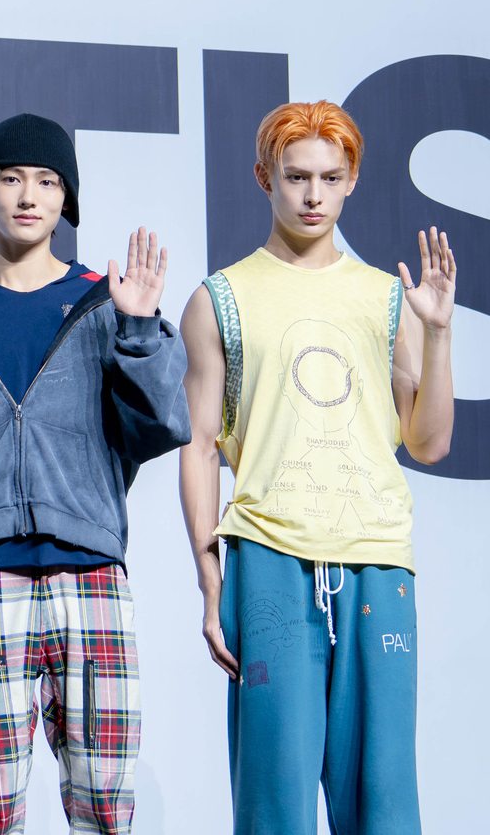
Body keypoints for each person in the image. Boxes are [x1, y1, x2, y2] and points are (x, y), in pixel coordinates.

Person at [0, 113, 190, 834]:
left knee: (104, 810)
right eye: (11, 176)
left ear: (65, 200)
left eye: (47, 181)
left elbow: (158, 427)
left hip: (91, 581)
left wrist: (140, 330)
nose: (27, 195)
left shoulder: (103, 303)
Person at [178, 101, 456, 835]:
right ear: (263, 176)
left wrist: (436, 335)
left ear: (352, 180)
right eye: (295, 176)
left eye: (329, 177)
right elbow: (199, 445)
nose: (311, 195)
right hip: (267, 557)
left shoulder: (384, 296)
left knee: (386, 805)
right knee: (274, 804)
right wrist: (210, 583)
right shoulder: (219, 298)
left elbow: (426, 443)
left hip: (376, 559)